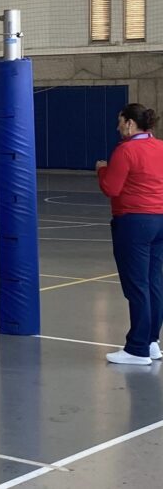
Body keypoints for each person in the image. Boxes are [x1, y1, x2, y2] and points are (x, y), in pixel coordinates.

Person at [96, 103, 163, 365]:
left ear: (131, 124)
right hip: (160, 220)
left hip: (134, 222)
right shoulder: (160, 147)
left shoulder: (126, 151)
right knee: (154, 282)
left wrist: (101, 169)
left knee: (137, 285)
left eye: (120, 121)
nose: (118, 127)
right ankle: (151, 342)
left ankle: (136, 349)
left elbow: (111, 188)